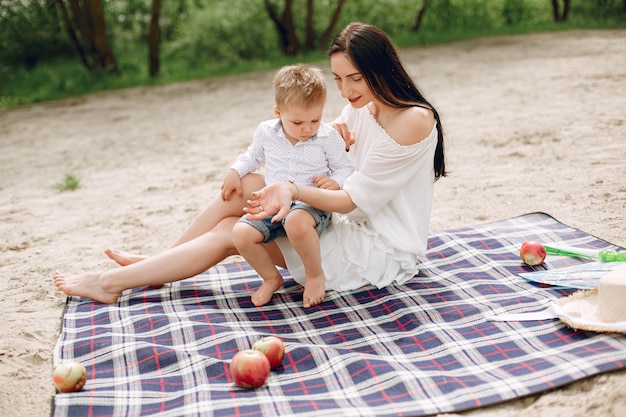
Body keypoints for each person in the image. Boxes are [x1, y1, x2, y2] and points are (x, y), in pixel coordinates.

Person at [53, 22, 446, 307]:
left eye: (354, 79)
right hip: (342, 219)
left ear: (381, 69)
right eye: (338, 79)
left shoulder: (413, 119)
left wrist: (291, 189)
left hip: (375, 248)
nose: (345, 91)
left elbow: (351, 202)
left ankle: (110, 282)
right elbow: (332, 131)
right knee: (244, 187)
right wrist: (331, 135)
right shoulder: (366, 101)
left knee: (232, 232)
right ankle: (159, 263)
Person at [226, 64, 353, 308]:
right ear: (278, 113)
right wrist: (235, 170)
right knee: (240, 234)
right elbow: (252, 157)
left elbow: (345, 168)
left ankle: (314, 275)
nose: (307, 128)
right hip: (273, 204)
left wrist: (335, 182)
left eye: (315, 119)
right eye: (297, 122)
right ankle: (271, 278)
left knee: (296, 221)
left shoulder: (327, 138)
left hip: (310, 204)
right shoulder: (266, 132)